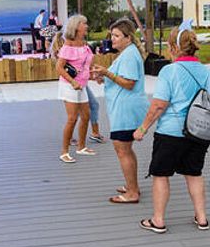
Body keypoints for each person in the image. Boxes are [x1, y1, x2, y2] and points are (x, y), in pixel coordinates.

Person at [134, 23, 210, 233]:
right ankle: (202, 218)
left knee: (161, 174)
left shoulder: (169, 71)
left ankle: (158, 220)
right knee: (194, 174)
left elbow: (159, 104)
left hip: (171, 132)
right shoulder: (206, 71)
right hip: (198, 132)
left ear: (174, 48)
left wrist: (143, 128)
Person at [92, 18, 148, 204]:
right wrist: (103, 77)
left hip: (126, 110)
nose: (112, 39)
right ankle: (132, 185)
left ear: (128, 38)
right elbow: (120, 79)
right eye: (112, 35)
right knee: (126, 149)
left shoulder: (130, 55)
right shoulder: (126, 53)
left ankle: (132, 193)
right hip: (123, 109)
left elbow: (129, 83)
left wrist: (107, 73)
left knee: (122, 149)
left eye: (116, 35)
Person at [51, 31, 105, 144]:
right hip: (72, 84)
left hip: (79, 83)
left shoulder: (78, 49)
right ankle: (73, 140)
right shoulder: (67, 51)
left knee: (87, 109)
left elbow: (82, 68)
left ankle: (92, 134)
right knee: (75, 116)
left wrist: (94, 76)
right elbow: (63, 68)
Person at [56, 15, 96, 163]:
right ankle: (64, 152)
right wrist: (73, 82)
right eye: (84, 23)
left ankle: (81, 147)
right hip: (69, 85)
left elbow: (86, 66)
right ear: (76, 26)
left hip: (82, 85)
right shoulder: (69, 45)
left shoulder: (84, 44)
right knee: (72, 118)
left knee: (86, 116)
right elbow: (59, 67)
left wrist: (93, 75)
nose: (87, 26)